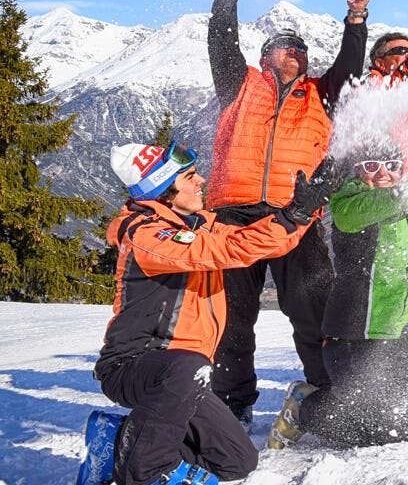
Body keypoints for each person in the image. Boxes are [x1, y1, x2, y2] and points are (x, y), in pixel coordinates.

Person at [76, 142, 334, 485]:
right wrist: (292, 216)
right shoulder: (148, 235)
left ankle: (115, 439)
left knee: (238, 461)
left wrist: (302, 212)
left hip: (185, 375)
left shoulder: (199, 224)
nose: (201, 180)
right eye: (189, 176)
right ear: (165, 190)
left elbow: (257, 241)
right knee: (188, 366)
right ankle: (148, 473)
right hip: (135, 365)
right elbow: (225, 250)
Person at [205, 0, 373, 422]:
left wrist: (356, 21)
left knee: (311, 312)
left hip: (297, 213)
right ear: (265, 57)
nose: (295, 53)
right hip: (232, 215)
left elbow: (350, 67)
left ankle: (326, 396)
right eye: (285, 47)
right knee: (234, 319)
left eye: (300, 48)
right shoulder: (238, 85)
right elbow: (220, 39)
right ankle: (231, 406)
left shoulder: (321, 94)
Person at [266, 142, 408, 449]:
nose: (383, 174)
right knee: (384, 434)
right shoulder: (350, 200)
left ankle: (340, 401)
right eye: (372, 166)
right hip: (354, 338)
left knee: (395, 415)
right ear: (358, 169)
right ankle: (305, 409)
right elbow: (351, 216)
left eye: (392, 166)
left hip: (394, 335)